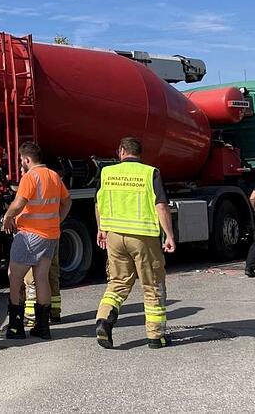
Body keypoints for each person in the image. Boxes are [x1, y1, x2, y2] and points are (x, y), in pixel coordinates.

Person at [95, 137, 176, 350]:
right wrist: (169, 235)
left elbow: (98, 203)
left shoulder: (107, 173)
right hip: (143, 237)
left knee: (117, 283)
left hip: (115, 235)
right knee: (152, 285)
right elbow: (161, 206)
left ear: (121, 151)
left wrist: (101, 229)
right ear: (140, 153)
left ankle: (104, 320)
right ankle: (155, 337)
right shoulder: (150, 173)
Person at [0, 142, 72, 340]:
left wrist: (8, 217)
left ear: (27, 160)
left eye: (22, 161)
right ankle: (42, 328)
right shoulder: (54, 175)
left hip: (29, 234)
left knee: (14, 277)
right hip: (50, 235)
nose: (22, 164)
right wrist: (57, 220)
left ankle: (15, 327)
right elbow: (67, 201)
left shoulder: (30, 177)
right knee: (42, 278)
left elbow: (19, 203)